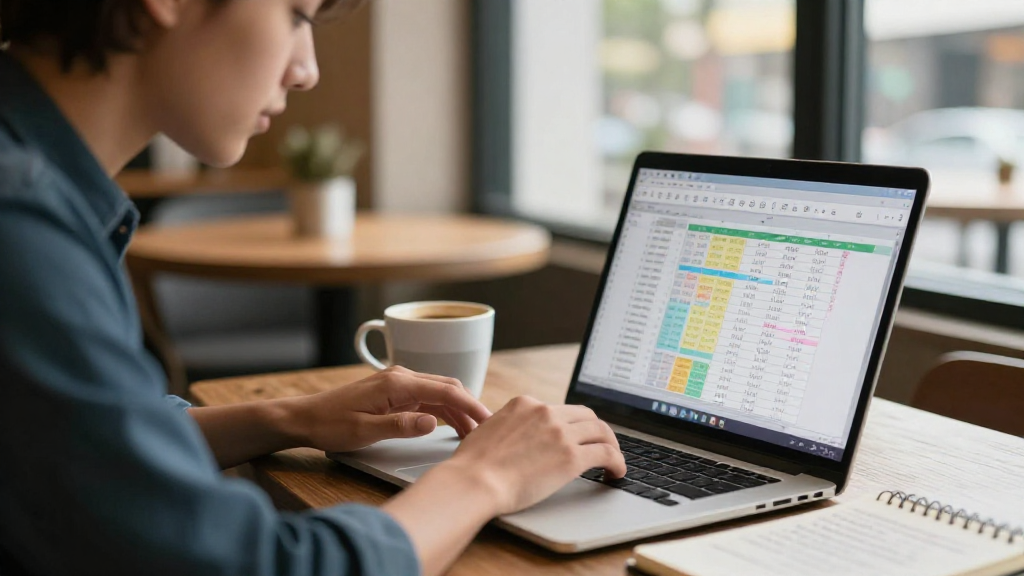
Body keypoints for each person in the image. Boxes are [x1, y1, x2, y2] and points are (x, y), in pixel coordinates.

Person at [0, 1, 627, 575]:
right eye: (297, 14)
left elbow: (72, 447)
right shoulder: (21, 225)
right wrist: (486, 477)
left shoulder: (38, 190)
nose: (307, 71)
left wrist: (288, 417)